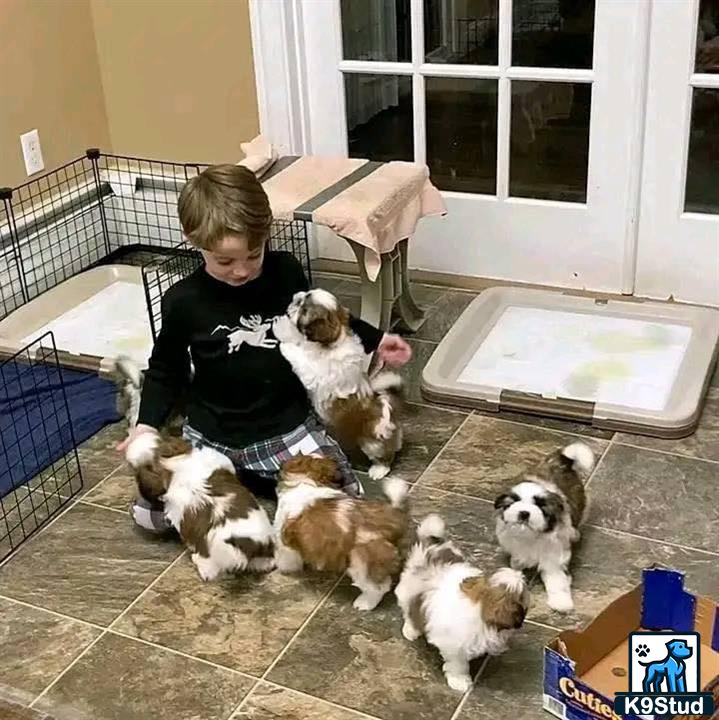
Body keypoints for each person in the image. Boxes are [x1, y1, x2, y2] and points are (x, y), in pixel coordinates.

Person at [117, 163, 412, 532]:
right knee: (153, 519)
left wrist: (377, 339)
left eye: (253, 255)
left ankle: (258, 478)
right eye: (225, 260)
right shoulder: (183, 300)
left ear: (267, 234)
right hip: (212, 434)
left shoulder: (285, 271)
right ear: (194, 239)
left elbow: (325, 319)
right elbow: (166, 367)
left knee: (344, 501)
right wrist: (145, 426)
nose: (241, 271)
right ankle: (248, 479)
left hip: (283, 427)